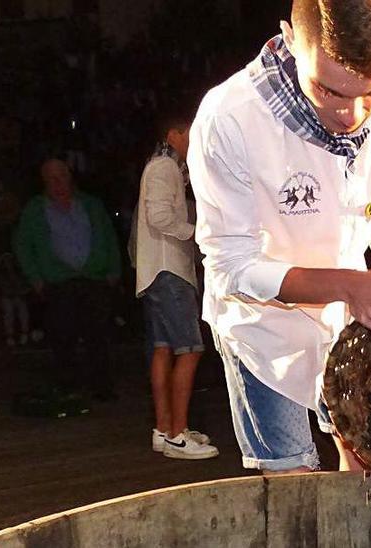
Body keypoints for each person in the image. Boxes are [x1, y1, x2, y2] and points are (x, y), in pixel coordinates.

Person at [189, 0, 371, 474]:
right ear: (291, 38)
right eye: (329, 91)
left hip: (348, 320)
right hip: (260, 327)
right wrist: (346, 283)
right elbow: (230, 268)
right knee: (295, 485)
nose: (352, 115)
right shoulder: (231, 118)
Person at [132, 116, 218, 460]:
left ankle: (164, 429)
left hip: (157, 272)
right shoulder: (164, 166)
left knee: (163, 349)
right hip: (169, 272)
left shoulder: (164, 166)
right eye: (189, 133)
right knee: (190, 349)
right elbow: (160, 218)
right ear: (174, 133)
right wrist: (198, 232)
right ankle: (176, 433)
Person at [13, 158, 122, 401]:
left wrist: (113, 270)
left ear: (69, 176)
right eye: (50, 178)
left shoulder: (91, 205)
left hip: (94, 278)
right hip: (58, 281)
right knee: (63, 336)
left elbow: (108, 236)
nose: (57, 182)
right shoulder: (35, 209)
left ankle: (101, 385)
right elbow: (23, 245)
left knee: (98, 335)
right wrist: (36, 278)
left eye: (60, 176)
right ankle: (68, 385)